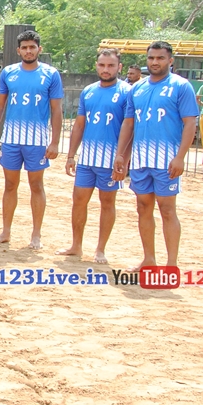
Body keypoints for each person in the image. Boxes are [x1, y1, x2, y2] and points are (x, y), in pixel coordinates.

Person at [114, 41, 199, 269]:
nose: (155, 62)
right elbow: (128, 123)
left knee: (167, 209)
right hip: (141, 160)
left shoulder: (181, 86)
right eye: (151, 58)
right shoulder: (137, 88)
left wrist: (180, 157)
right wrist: (121, 155)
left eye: (160, 58)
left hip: (166, 160)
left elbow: (190, 123)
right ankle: (149, 259)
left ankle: (171, 264)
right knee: (143, 207)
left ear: (170, 61)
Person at [0, 30, 64, 249]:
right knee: (10, 185)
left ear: (39, 49)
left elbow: (56, 109)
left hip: (37, 140)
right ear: (18, 50)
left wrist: (55, 141)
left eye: (32, 47)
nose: (28, 51)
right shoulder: (8, 73)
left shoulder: (51, 74)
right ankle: (6, 231)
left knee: (36, 185)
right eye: (24, 48)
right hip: (11, 139)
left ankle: (36, 234)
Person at [57, 48, 132, 264]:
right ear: (97, 66)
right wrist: (71, 155)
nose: (106, 69)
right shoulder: (88, 91)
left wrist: (124, 158)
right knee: (78, 201)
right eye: (102, 65)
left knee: (107, 203)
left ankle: (100, 249)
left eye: (110, 65)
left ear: (119, 67)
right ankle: (76, 245)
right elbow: (80, 125)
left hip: (111, 160)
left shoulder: (127, 92)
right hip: (87, 159)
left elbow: (130, 127)